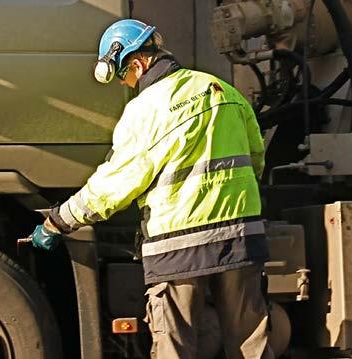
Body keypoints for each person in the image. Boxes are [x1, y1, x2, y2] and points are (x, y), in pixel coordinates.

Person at [29, 18, 273, 359]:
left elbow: (115, 184)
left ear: (138, 63)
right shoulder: (221, 90)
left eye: (124, 76)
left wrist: (60, 220)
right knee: (251, 345)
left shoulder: (146, 109)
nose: (127, 84)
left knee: (175, 347)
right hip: (240, 236)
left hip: (179, 243)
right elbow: (255, 155)